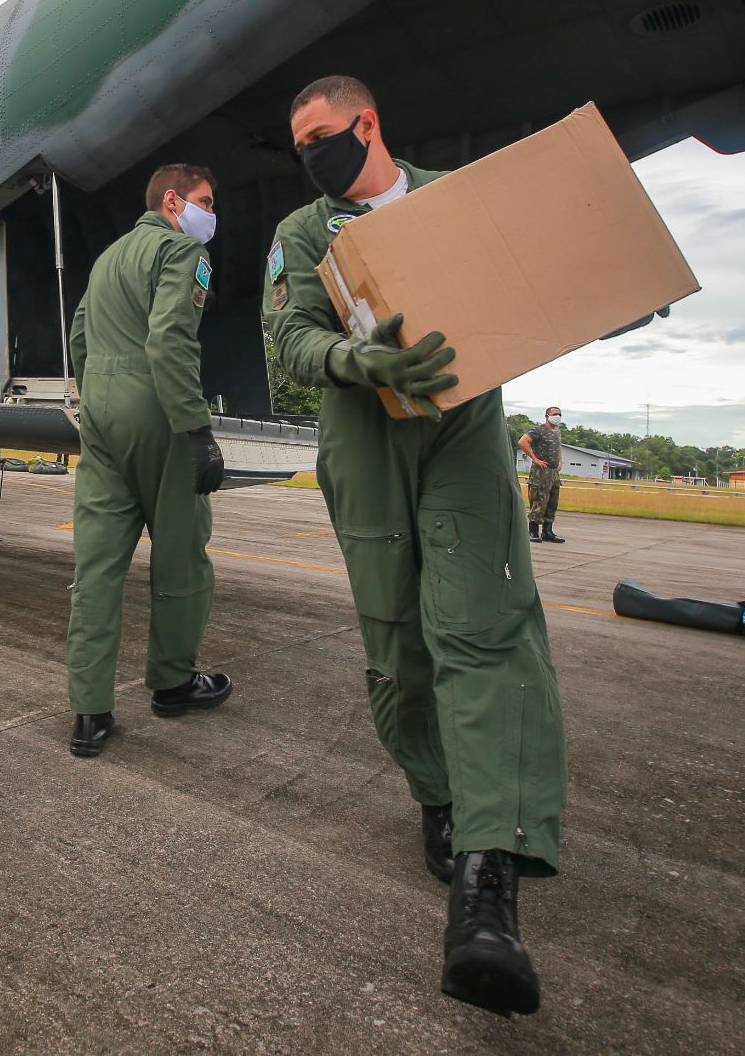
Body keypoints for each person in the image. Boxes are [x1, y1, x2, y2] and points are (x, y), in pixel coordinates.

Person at [264, 75, 563, 1017]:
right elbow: (287, 343)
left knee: (484, 633)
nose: (311, 153)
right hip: (365, 439)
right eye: (299, 143)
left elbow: (537, 282)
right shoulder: (304, 234)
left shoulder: (456, 201)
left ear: (368, 122)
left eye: (321, 134)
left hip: (464, 433)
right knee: (398, 643)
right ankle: (438, 791)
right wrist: (358, 359)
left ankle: (487, 882)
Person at [63, 163, 232, 759]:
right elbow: (169, 338)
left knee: (99, 565)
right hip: (158, 410)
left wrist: (99, 392)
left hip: (101, 414)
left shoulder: (108, 258)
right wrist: (195, 430)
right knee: (182, 555)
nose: (212, 213)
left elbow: (80, 333)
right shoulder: (181, 251)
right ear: (172, 200)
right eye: (205, 201)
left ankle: (89, 712)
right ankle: (173, 682)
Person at [517, 407, 566, 543]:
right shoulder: (538, 430)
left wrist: (560, 461)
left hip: (553, 471)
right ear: (547, 416)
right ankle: (533, 531)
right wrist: (535, 458)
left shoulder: (557, 432)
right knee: (539, 499)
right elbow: (523, 441)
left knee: (552, 501)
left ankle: (547, 531)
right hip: (541, 471)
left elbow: (559, 447)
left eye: (559, 414)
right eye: (554, 414)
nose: (557, 416)